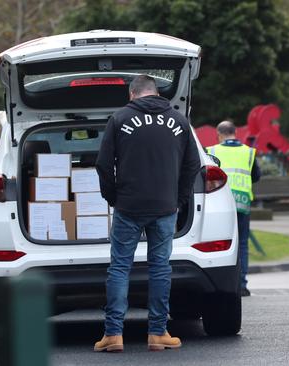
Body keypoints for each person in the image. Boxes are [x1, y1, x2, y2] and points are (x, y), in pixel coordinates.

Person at [94, 75, 200, 352]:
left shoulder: (119, 119)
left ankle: (113, 335)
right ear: (157, 93)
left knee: (119, 267)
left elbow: (103, 164)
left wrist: (113, 197)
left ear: (132, 94)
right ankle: (157, 332)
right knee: (160, 267)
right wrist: (179, 199)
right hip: (165, 207)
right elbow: (193, 165)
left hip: (128, 206)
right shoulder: (179, 121)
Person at [207, 121, 261, 297]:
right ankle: (242, 285)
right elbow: (256, 176)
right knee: (242, 244)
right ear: (235, 132)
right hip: (243, 203)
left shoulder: (212, 151)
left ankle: (220, 285)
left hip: (220, 204)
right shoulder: (248, 152)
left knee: (217, 244)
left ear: (219, 134)